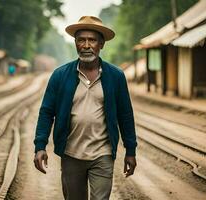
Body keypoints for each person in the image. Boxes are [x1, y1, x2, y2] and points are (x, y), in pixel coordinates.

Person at [34, 16, 137, 200]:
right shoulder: (60, 75)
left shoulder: (115, 76)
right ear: (75, 43)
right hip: (71, 154)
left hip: (103, 154)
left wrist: (130, 150)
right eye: (81, 40)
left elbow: (125, 115)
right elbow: (47, 112)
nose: (86, 45)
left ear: (101, 44)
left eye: (92, 40)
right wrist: (40, 146)